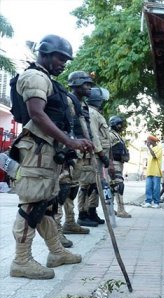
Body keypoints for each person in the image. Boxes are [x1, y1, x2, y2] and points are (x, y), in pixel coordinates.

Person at [9, 34, 93, 279]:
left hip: (48, 153)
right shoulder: (35, 76)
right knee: (32, 205)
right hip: (37, 152)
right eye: (60, 58)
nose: (63, 64)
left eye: (66, 60)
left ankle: (56, 252)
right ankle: (21, 261)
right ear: (44, 52)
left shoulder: (47, 79)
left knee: (46, 205)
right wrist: (69, 141)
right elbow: (36, 114)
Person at [54, 71, 95, 247]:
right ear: (77, 84)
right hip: (68, 152)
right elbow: (65, 127)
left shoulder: (80, 103)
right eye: (86, 84)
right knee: (62, 191)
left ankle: (70, 222)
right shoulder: (69, 100)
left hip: (78, 153)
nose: (90, 87)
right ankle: (55, 231)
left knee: (72, 189)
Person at [77, 86, 113, 226]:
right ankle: (82, 214)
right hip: (92, 155)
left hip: (97, 156)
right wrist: (101, 154)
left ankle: (91, 211)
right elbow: (93, 136)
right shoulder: (91, 113)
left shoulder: (96, 113)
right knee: (86, 185)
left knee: (94, 185)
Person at [109, 115, 131, 218]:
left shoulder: (118, 136)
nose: (121, 126)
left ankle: (111, 209)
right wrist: (110, 163)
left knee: (113, 186)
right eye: (119, 124)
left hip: (119, 163)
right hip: (114, 163)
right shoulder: (110, 135)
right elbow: (107, 150)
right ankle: (120, 209)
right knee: (118, 185)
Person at [142, 135, 162, 208]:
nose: (147, 142)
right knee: (148, 187)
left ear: (152, 141)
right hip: (149, 171)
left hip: (156, 171)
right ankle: (148, 201)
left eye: (148, 140)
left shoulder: (159, 147)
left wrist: (148, 147)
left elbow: (154, 156)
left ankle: (156, 202)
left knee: (156, 188)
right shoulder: (151, 148)